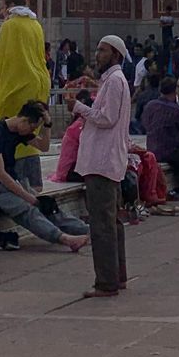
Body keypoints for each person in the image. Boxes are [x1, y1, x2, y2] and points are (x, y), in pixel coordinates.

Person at [0, 99, 88, 252]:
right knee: (28, 210)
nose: (32, 131)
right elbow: (0, 174)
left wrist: (47, 125)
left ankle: (85, 231)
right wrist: (28, 197)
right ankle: (65, 239)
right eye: (33, 127)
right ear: (24, 120)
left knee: (48, 206)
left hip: (12, 183)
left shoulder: (19, 131)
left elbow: (44, 147)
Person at [0, 0, 52, 224]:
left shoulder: (10, 25)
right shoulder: (35, 24)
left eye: (3, 8)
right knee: (30, 139)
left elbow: (3, 63)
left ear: (11, 5)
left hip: (15, 90)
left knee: (13, 139)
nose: (1, 12)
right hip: (36, 87)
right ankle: (36, 194)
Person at [70, 36, 131, 297]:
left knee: (102, 224)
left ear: (116, 55)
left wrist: (79, 108)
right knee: (111, 222)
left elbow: (106, 118)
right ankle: (117, 276)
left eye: (103, 51)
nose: (97, 54)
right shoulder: (112, 81)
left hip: (102, 161)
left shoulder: (115, 81)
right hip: (105, 159)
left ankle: (106, 282)